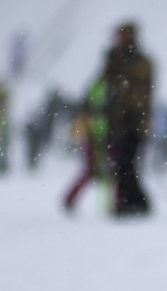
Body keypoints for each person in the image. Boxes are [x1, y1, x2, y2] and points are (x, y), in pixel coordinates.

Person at [102, 21, 154, 217]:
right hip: (117, 120)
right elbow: (107, 84)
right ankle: (132, 202)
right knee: (123, 163)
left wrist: (134, 115)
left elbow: (139, 92)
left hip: (134, 121)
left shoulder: (140, 61)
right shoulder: (117, 59)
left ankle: (135, 202)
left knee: (126, 163)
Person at [63, 77, 109, 213]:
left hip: (99, 134)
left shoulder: (99, 86)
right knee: (93, 170)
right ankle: (70, 199)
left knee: (94, 171)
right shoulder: (104, 87)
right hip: (96, 135)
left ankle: (70, 198)